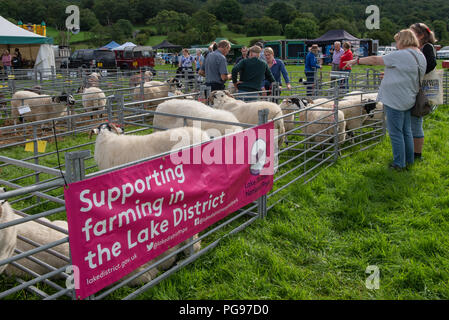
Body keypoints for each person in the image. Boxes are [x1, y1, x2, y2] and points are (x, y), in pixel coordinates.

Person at [345, 29, 427, 171]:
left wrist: (356, 60)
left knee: (395, 132)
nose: (396, 44)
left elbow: (375, 60)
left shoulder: (402, 54)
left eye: (397, 41)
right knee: (406, 130)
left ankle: (398, 164)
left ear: (403, 40)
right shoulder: (419, 55)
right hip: (409, 98)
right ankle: (409, 160)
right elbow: (407, 74)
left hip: (396, 99)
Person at [410, 22, 437, 161]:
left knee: (416, 118)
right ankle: (412, 152)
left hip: (423, 89)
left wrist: (415, 73)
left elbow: (431, 64)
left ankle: (417, 155)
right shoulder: (417, 47)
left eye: (412, 32)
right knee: (413, 120)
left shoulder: (427, 47)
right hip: (415, 88)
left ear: (420, 35)